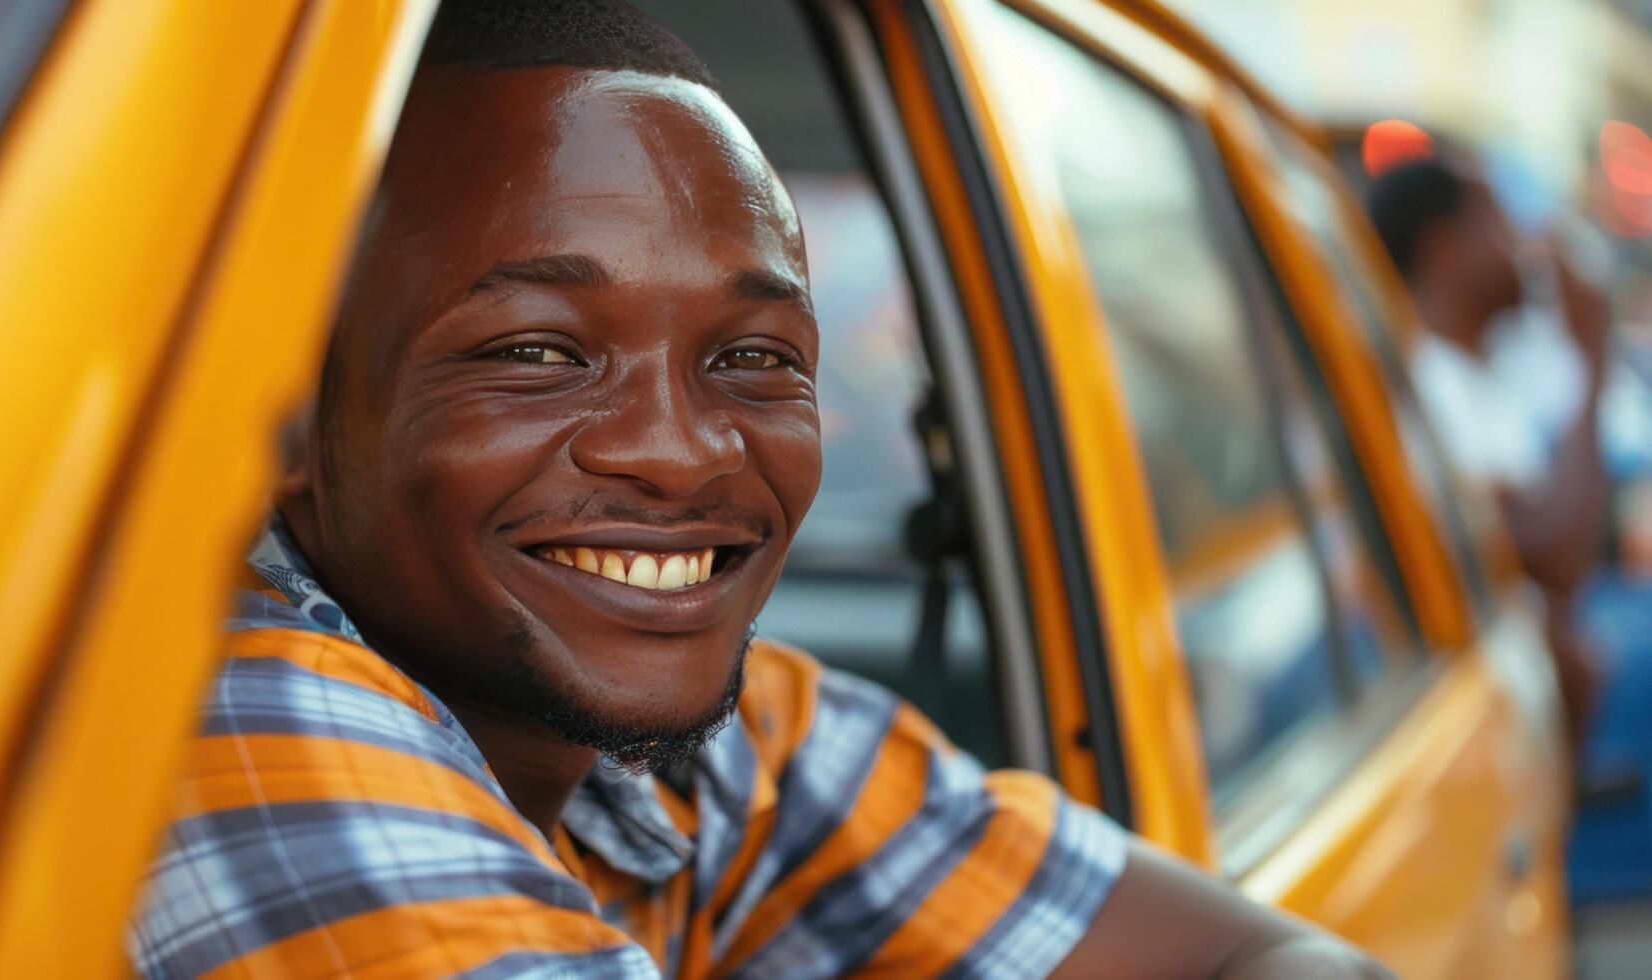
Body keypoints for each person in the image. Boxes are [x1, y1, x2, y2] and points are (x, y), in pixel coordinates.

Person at [127, 2, 1390, 976]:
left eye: (751, 359)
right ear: (284, 410)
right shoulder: (243, 723)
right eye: (538, 353)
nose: (681, 451)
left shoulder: (708, 743)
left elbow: (1273, 954)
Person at [1368, 157, 1612, 739]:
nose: (1522, 250)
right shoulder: (1426, 389)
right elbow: (1554, 556)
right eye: (1499, 224)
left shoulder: (1466, 382)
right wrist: (1594, 352)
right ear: (1445, 246)